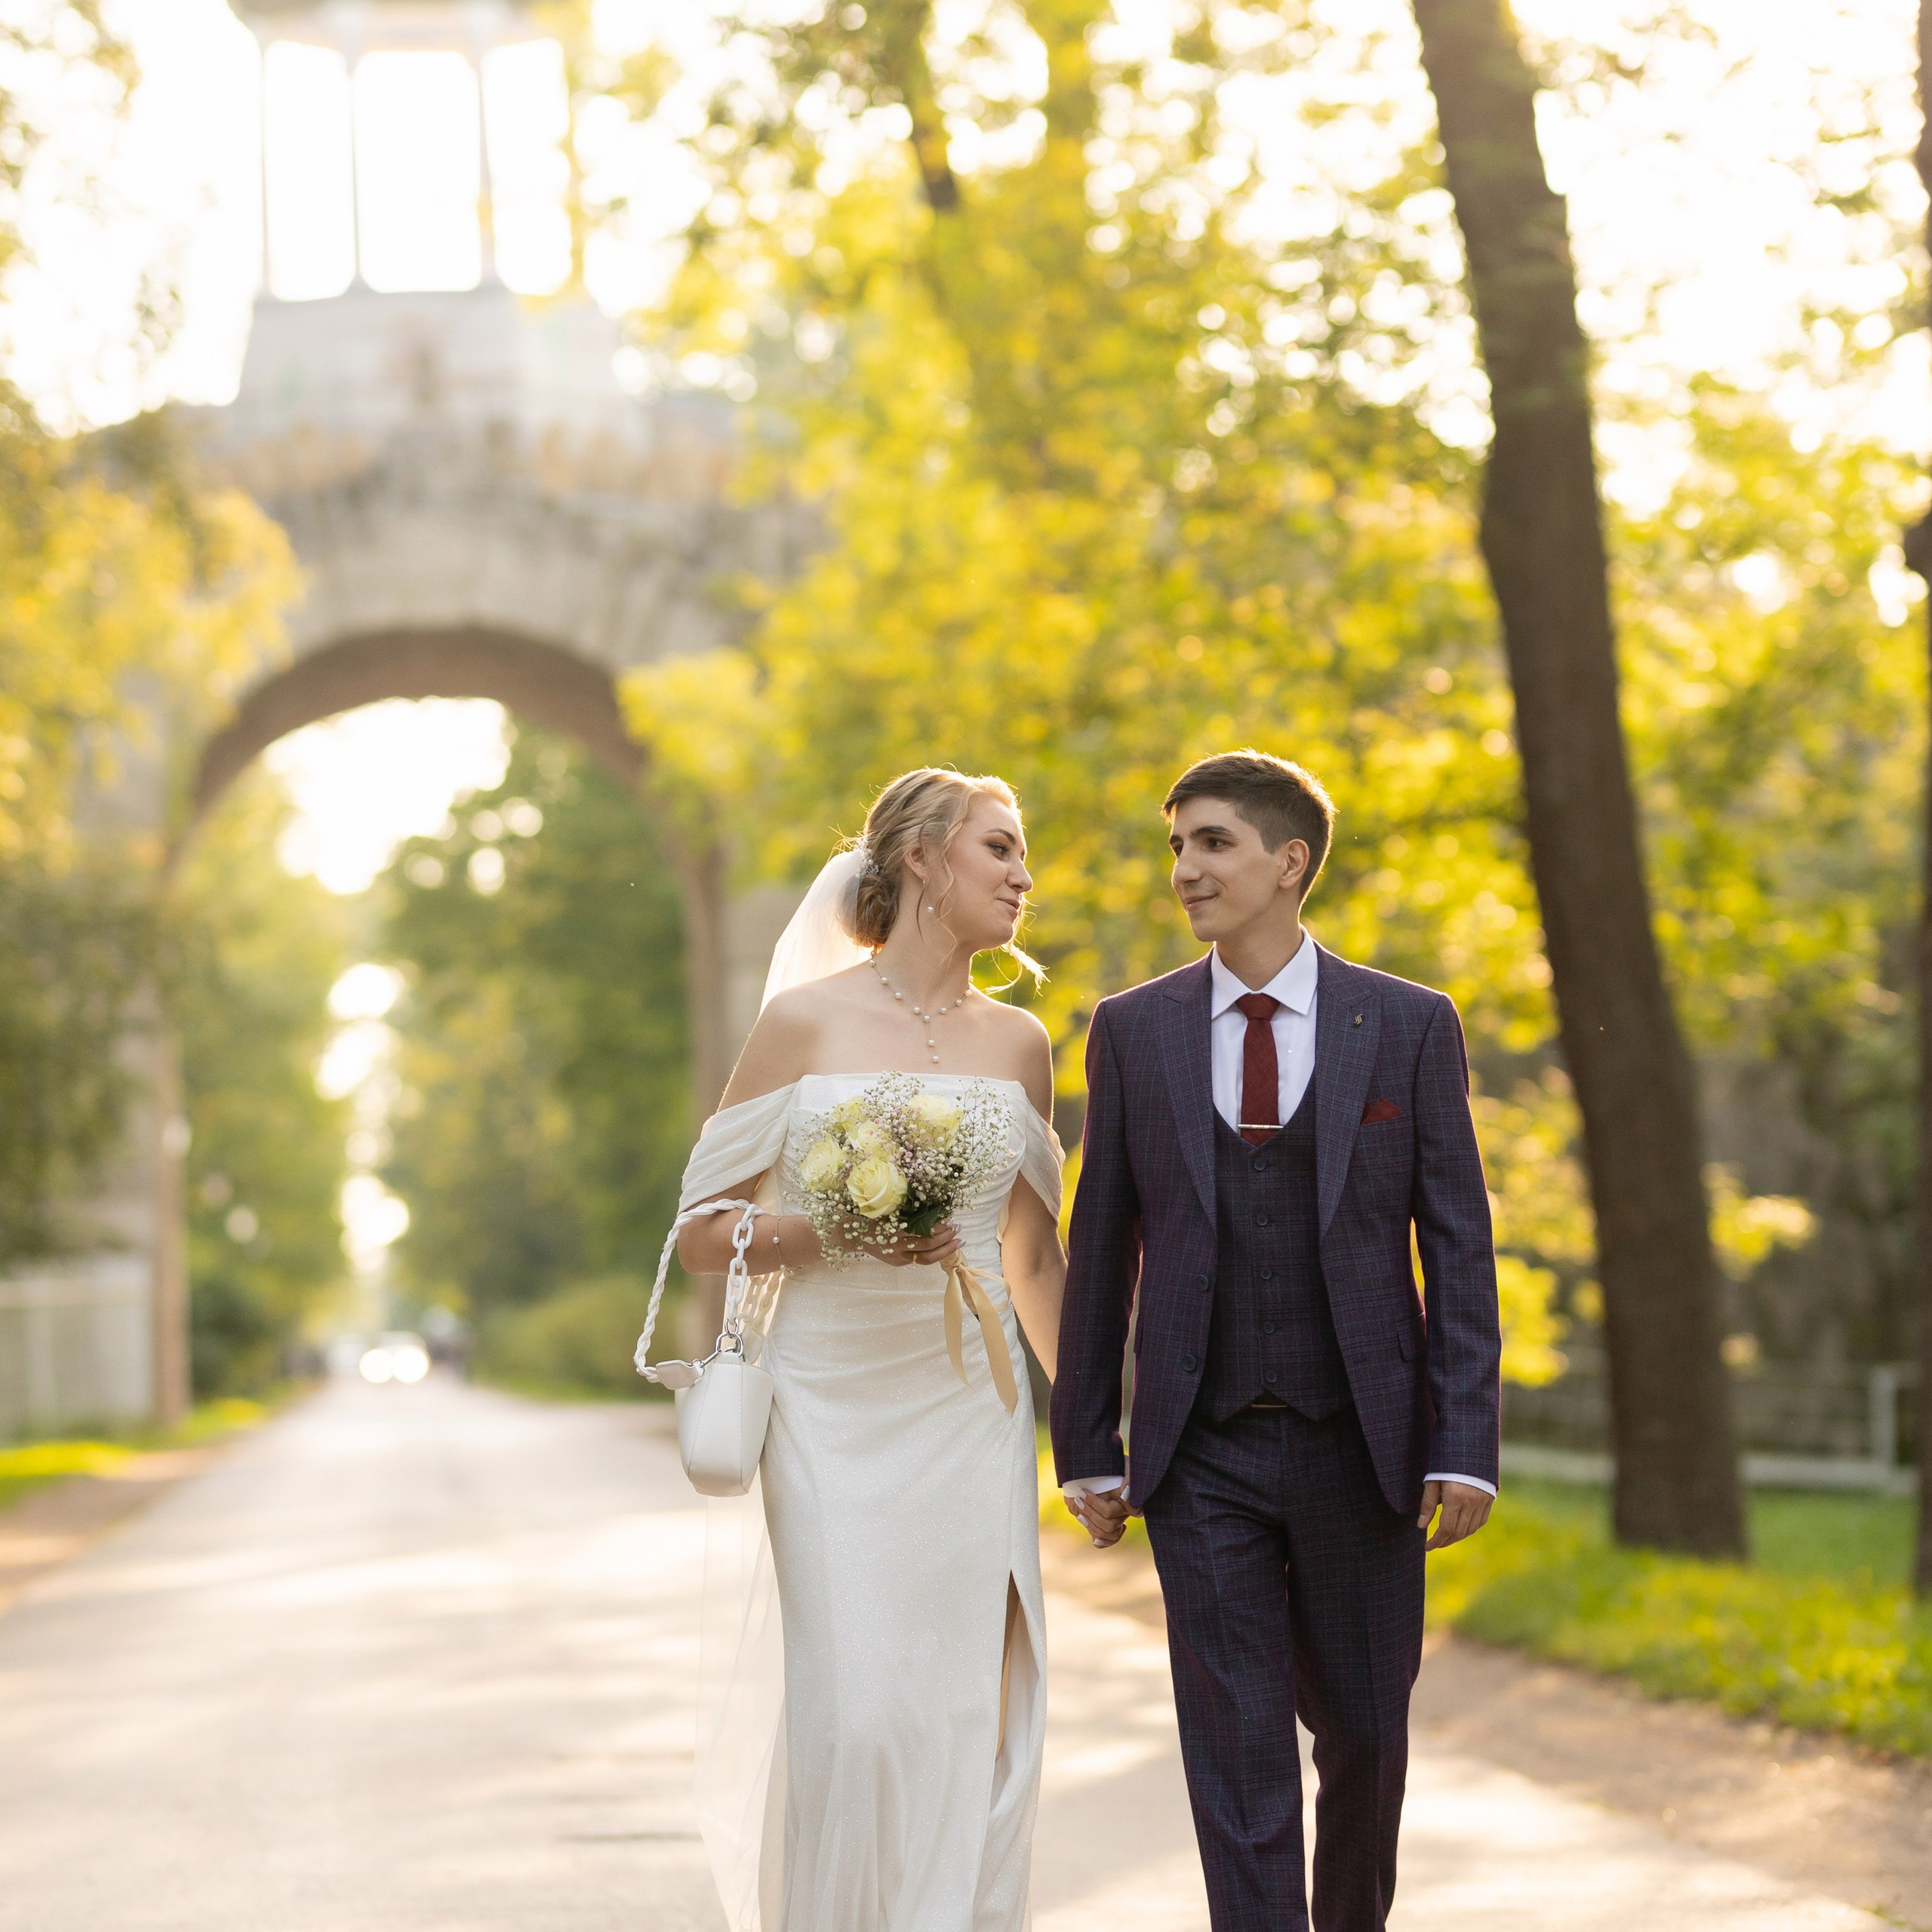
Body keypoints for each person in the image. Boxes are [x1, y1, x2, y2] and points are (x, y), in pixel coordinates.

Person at [1052, 749, 1502, 1932]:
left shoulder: (1406, 1024)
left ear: (1288, 861)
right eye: (1178, 847)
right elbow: (1101, 1246)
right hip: (1201, 1453)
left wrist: (1464, 1442)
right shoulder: (1134, 1032)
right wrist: (1087, 1442)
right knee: (1237, 1751)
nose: (1185, 870)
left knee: (1362, 1734)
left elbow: (1456, 1247)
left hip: (1366, 1446)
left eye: (1212, 843)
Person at [667, 768, 1066, 1932]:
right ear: (925, 863)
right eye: (1000, 849)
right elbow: (699, 1236)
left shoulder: (1023, 1042)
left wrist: (1099, 1433)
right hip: (829, 1409)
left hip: (969, 1410)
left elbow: (1037, 1262)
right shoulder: (801, 1022)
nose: (1022, 876)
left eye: (1021, 852)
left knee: (959, 1715)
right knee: (854, 1719)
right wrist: (826, 1227)